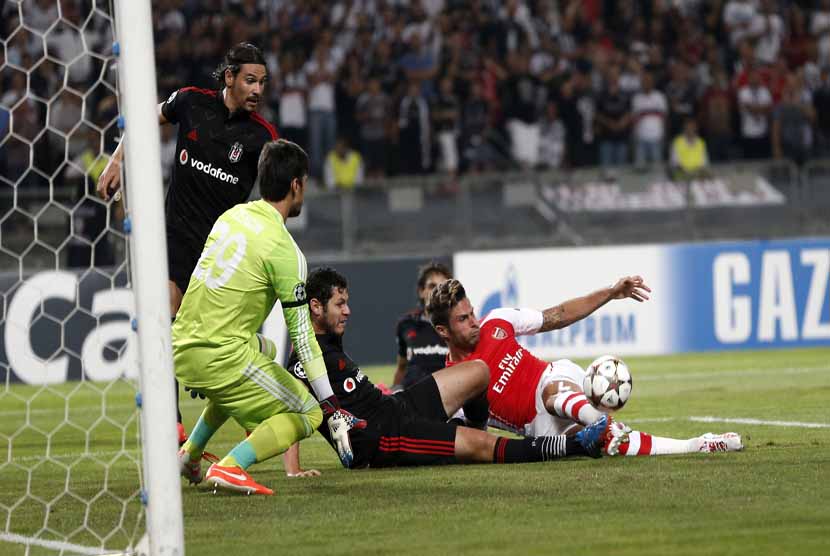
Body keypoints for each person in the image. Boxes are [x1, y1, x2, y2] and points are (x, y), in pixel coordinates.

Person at [95, 43, 278, 442]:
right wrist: (116, 161)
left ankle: (248, 424)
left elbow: (275, 195)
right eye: (250, 80)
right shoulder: (191, 102)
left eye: (262, 82)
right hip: (175, 240)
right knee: (162, 324)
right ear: (229, 77)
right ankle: (172, 427)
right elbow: (145, 121)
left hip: (221, 253)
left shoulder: (262, 136)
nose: (257, 90)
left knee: (214, 351)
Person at [171, 140, 364, 495]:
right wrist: (332, 407)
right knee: (309, 413)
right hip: (219, 355)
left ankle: (190, 453)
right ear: (296, 185)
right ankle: (231, 467)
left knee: (266, 346)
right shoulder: (284, 249)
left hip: (182, 342)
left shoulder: (231, 216)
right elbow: (304, 341)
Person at [282, 267, 615, 472]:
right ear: (315, 307)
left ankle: (473, 426)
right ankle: (577, 445)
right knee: (479, 447)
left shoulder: (326, 343)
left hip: (396, 407)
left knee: (480, 371)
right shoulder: (303, 361)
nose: (348, 311)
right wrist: (293, 469)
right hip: (385, 440)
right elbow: (289, 410)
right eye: (340, 304)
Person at [428, 278, 743, 457]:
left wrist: (610, 293)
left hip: (554, 379)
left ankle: (598, 422)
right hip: (540, 428)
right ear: (443, 331)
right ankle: (699, 444)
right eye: (463, 319)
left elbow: (558, 315)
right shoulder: (453, 382)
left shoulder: (498, 320)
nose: (474, 322)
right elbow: (475, 438)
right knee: (615, 447)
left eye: (472, 313)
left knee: (554, 396)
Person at [391, 262, 452, 392]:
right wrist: (394, 391)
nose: (437, 291)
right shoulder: (405, 324)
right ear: (421, 291)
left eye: (442, 287)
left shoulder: (457, 326)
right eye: (432, 286)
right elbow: (402, 366)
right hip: (411, 399)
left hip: (448, 399)